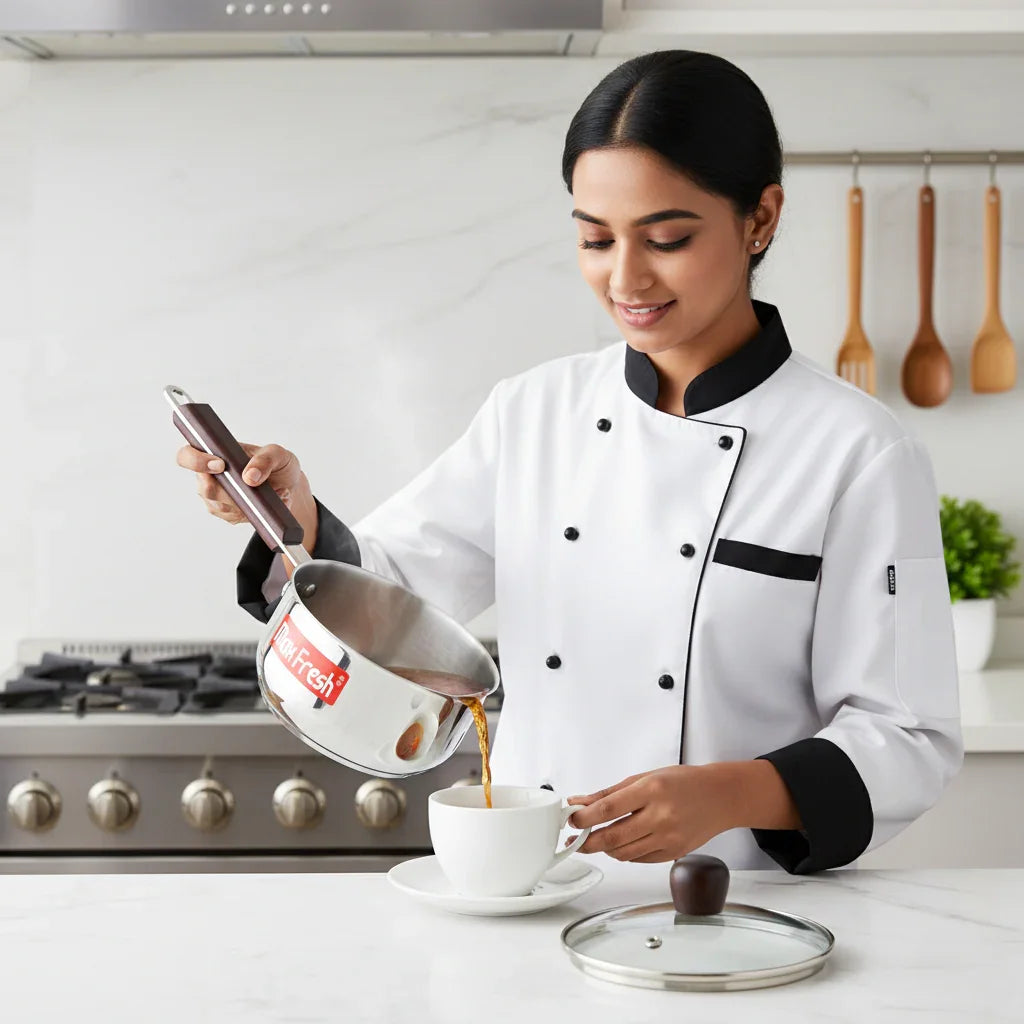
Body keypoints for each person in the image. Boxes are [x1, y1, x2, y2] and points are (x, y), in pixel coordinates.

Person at [177, 50, 962, 877]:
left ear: (760, 218)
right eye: (594, 238)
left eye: (667, 238)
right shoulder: (533, 413)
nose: (625, 278)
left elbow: (907, 736)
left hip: (740, 912)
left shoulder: (858, 452)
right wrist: (294, 518)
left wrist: (732, 791)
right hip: (532, 891)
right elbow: (393, 600)